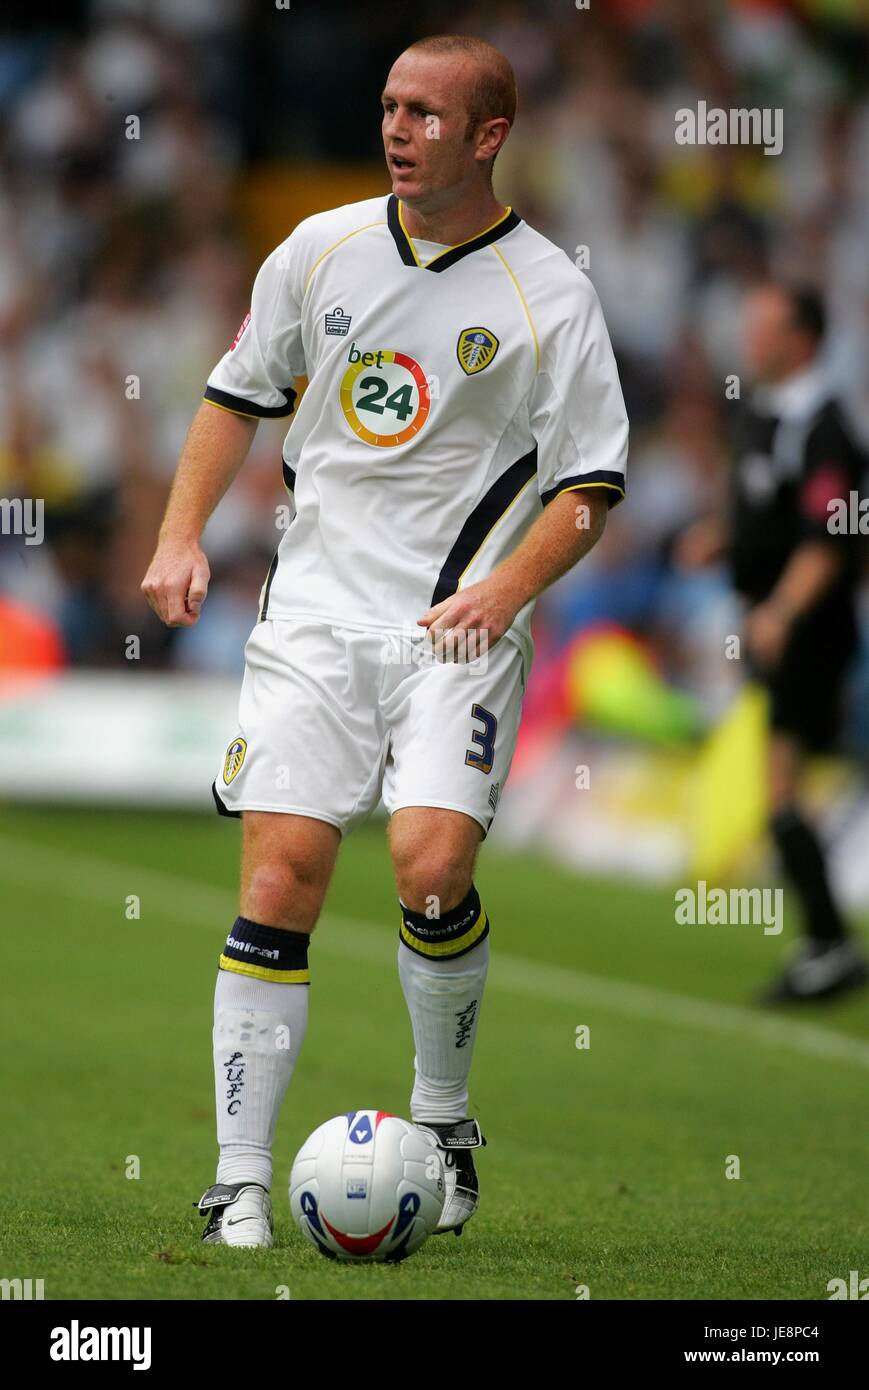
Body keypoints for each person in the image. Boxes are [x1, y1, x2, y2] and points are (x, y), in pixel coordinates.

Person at [142, 34, 628, 1248]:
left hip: (455, 630)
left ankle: (443, 1117)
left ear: (488, 134)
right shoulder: (321, 246)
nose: (398, 129)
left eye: (424, 112)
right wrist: (180, 534)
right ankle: (239, 1180)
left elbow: (588, 483)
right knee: (278, 880)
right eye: (387, 107)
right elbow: (234, 393)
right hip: (311, 617)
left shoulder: (548, 294)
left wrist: (504, 591)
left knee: (428, 868)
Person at [678, 283, 867, 1005]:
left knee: (781, 786)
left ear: (803, 338)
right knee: (777, 787)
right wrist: (717, 537)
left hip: (807, 631)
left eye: (765, 326)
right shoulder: (763, 410)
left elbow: (831, 539)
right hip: (765, 621)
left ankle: (828, 946)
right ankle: (826, 942)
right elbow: (764, 508)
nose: (749, 337)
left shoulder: (825, 427)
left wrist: (783, 611)